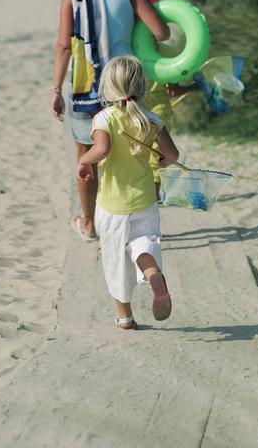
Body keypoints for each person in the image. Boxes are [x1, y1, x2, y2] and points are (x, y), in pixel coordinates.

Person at [51, 0, 170, 241]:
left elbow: (64, 45)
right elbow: (162, 31)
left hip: (87, 88)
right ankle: (131, 220)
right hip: (124, 83)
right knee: (129, 150)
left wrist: (55, 89)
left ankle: (89, 223)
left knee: (87, 154)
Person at [77, 56, 179, 329]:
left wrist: (84, 161)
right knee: (143, 245)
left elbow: (102, 150)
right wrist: (161, 161)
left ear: (108, 87)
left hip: (112, 204)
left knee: (115, 260)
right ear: (142, 86)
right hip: (144, 199)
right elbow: (172, 155)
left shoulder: (104, 118)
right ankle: (153, 274)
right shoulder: (152, 119)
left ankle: (125, 318)